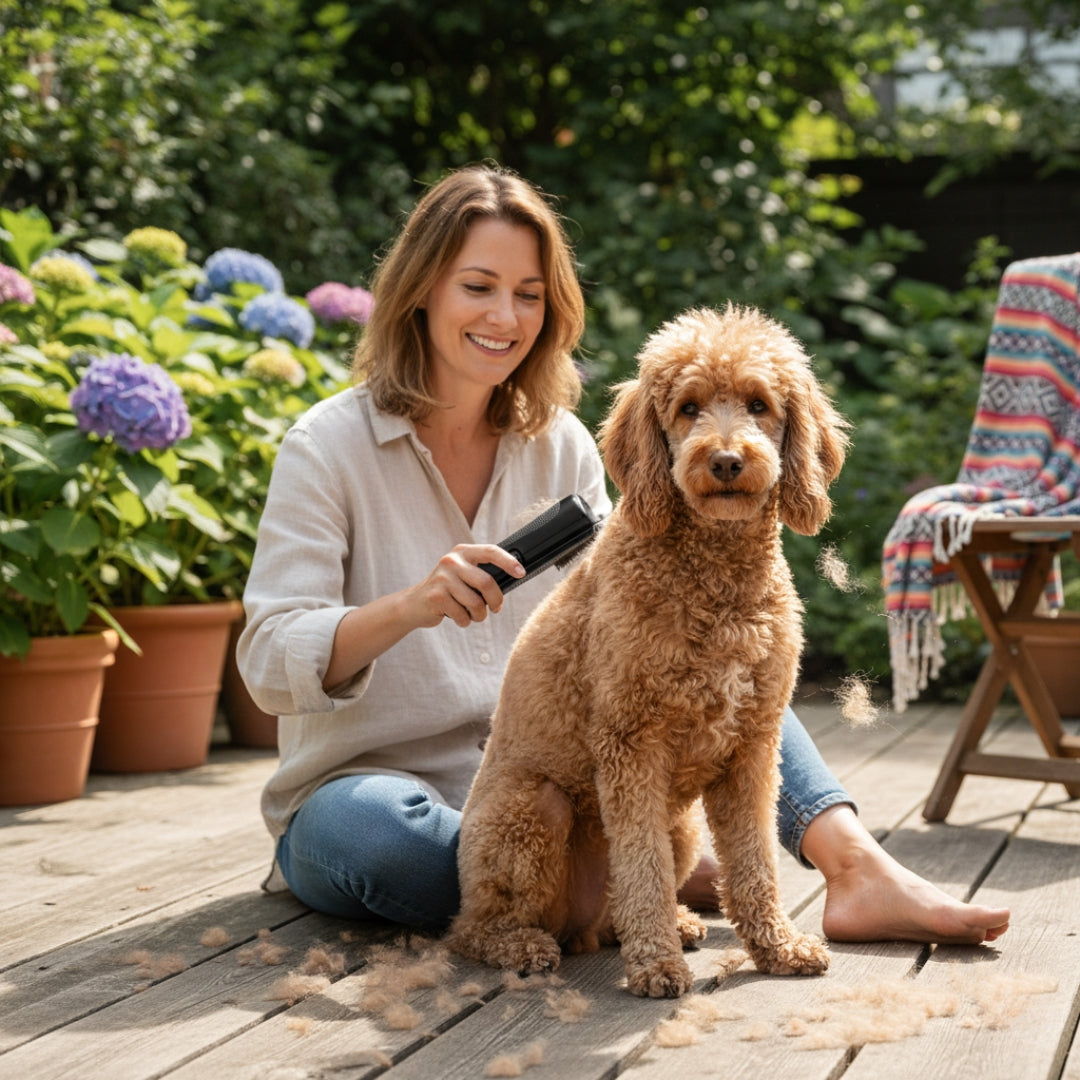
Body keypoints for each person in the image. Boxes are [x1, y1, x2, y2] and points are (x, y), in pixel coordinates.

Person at [237, 163, 1010, 948]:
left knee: (733, 661)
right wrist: (407, 609)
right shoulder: (327, 447)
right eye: (478, 286)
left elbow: (655, 646)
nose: (505, 315)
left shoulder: (561, 445)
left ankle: (851, 867)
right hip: (383, 796)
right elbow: (265, 663)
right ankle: (623, 883)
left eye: (529, 294)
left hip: (580, 790)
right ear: (421, 291)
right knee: (374, 841)